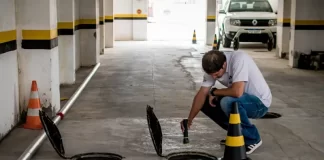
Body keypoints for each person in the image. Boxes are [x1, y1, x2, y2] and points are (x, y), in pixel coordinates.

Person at [181, 50, 272, 154]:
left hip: (260, 103)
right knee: (205, 100)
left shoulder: (239, 59)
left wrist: (215, 92)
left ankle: (253, 139)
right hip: (243, 100)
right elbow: (201, 94)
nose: (214, 77)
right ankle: (236, 134)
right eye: (211, 75)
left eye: (216, 74)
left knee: (227, 102)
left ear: (224, 64)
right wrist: (189, 120)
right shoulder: (213, 66)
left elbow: (237, 92)